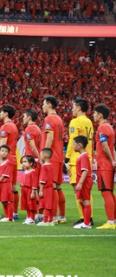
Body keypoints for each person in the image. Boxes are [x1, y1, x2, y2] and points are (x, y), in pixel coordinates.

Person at [65, 99, 94, 226]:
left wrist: (67, 157)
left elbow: (73, 140)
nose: (71, 109)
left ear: (79, 108)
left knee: (78, 189)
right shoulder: (89, 122)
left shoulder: (75, 122)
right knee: (86, 190)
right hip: (88, 157)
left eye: (73, 107)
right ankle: (88, 217)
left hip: (76, 159)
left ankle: (84, 218)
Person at [41, 95, 66, 224]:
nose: (42, 106)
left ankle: (53, 217)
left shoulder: (49, 119)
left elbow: (50, 138)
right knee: (58, 186)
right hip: (58, 156)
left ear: (49, 105)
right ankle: (61, 216)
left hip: (52, 157)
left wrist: (45, 154)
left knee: (52, 187)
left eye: (44, 104)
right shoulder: (59, 119)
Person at [92, 104, 116, 229]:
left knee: (106, 192)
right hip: (108, 164)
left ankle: (110, 222)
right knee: (110, 192)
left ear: (100, 115)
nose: (93, 116)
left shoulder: (103, 128)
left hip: (104, 165)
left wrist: (112, 160)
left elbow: (105, 146)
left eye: (95, 113)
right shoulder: (109, 127)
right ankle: (113, 220)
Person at [0, 105, 20, 220]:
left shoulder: (5, 127)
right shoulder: (14, 126)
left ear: (6, 113)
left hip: (7, 160)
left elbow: (3, 146)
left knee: (6, 187)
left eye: (1, 112)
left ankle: (9, 214)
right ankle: (14, 212)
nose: (0, 114)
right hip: (13, 159)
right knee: (13, 186)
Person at [22, 108, 42, 221]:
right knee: (37, 188)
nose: (23, 119)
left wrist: (37, 159)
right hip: (36, 161)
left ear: (29, 118)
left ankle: (32, 215)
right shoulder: (38, 129)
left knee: (31, 189)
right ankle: (39, 213)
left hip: (32, 162)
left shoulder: (29, 129)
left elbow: (33, 146)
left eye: (24, 117)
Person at [72, 135, 93, 229]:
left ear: (79, 145)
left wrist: (80, 183)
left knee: (86, 201)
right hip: (81, 180)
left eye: (74, 144)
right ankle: (85, 221)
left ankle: (87, 223)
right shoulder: (82, 156)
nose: (73, 146)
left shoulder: (84, 156)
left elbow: (85, 170)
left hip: (84, 181)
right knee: (81, 200)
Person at [0, 145, 14, 222]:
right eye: (2, 151)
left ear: (8, 153)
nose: (4, 153)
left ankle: (10, 217)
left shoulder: (8, 163)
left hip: (6, 183)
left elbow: (4, 175)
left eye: (6, 151)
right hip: (0, 183)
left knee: (8, 200)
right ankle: (6, 216)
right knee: (3, 200)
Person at [37, 148, 55, 226]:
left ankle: (45, 221)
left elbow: (42, 180)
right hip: (51, 188)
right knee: (50, 204)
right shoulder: (51, 166)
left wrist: (40, 190)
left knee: (46, 205)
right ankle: (50, 221)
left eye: (41, 155)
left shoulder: (44, 167)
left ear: (44, 156)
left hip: (46, 188)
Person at [20, 156, 39, 225]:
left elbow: (34, 183)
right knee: (27, 205)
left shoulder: (33, 172)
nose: (23, 163)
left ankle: (32, 218)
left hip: (30, 190)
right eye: (23, 162)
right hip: (24, 189)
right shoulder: (25, 171)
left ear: (31, 163)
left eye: (25, 162)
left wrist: (33, 192)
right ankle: (28, 217)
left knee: (31, 204)